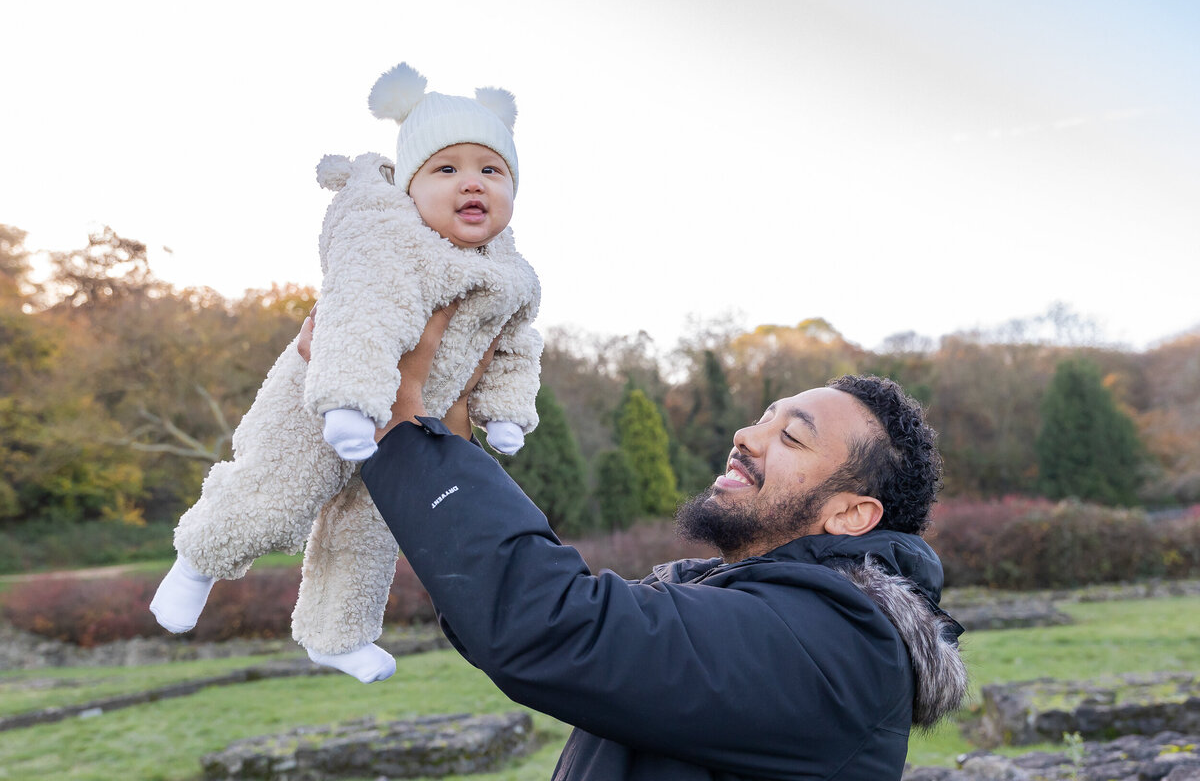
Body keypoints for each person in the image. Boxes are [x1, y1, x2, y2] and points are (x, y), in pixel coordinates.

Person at [297, 310, 968, 779]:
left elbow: (553, 625)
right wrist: (444, 438)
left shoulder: (838, 644)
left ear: (852, 514)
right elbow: (533, 633)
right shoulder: (745, 600)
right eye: (764, 418)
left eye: (792, 437)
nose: (746, 435)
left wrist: (399, 429)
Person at [149, 63, 542, 684]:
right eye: (448, 168)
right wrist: (348, 402)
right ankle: (196, 561)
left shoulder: (512, 276)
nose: (473, 183)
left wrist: (507, 412)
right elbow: (360, 319)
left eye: (491, 170)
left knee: (370, 531)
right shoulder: (386, 238)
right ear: (411, 185)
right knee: (274, 497)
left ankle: (337, 634)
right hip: (322, 399)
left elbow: (518, 347)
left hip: (411, 425)